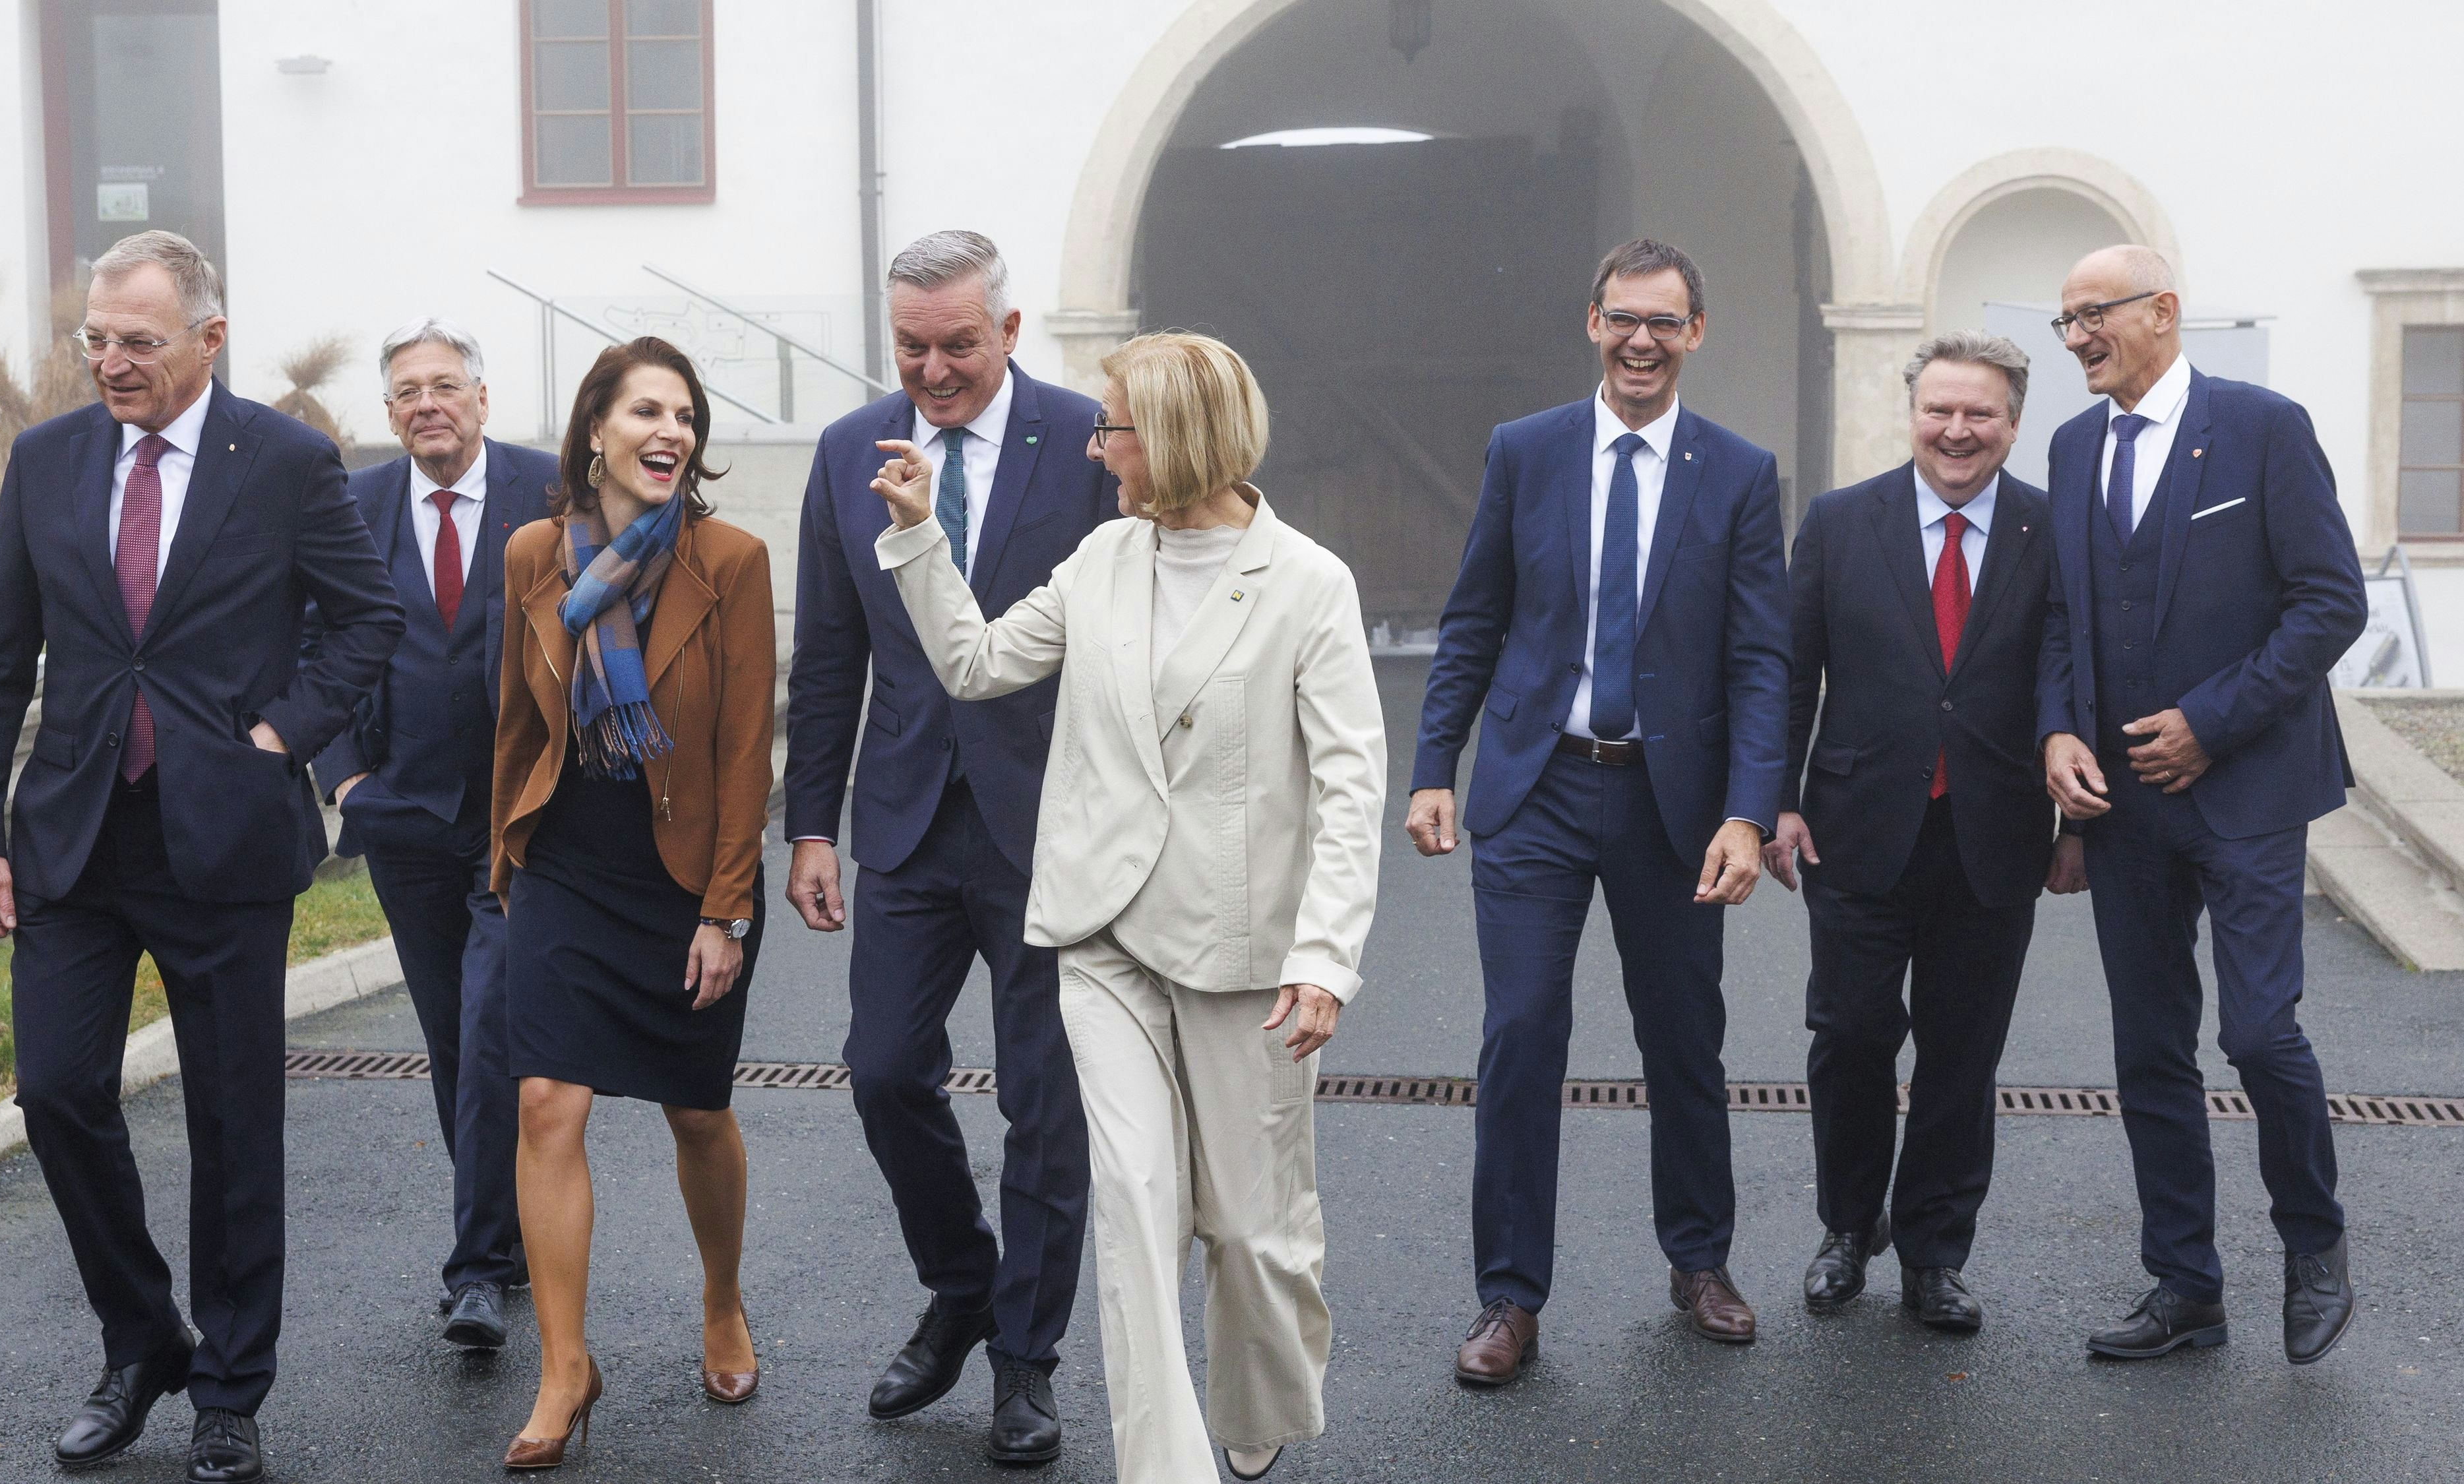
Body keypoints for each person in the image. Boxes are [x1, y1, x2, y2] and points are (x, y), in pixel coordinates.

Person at [869, 331, 1384, 1483]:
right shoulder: (1103, 557)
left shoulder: (1309, 582)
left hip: (1247, 948)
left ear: (1179, 436)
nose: (1100, 448)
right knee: (1139, 1206)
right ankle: (1166, 1466)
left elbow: (1352, 788)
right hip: (1101, 935)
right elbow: (978, 664)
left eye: (1116, 428)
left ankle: (1257, 1397)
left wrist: (1325, 956)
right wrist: (917, 534)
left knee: (1251, 1233)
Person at [0, 230, 404, 1483]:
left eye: (137, 341)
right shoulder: (46, 462)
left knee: (235, 1123)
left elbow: (370, 619)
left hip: (227, 839)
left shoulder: (289, 462)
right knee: (57, 1094)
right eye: (95, 338)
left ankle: (231, 1389)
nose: (110, 362)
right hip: (75, 841)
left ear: (209, 338)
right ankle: (143, 1336)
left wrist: (283, 733)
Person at [1412, 237, 1789, 1377]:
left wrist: (1749, 813)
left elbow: (1762, 661)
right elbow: (1474, 617)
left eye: (1664, 324)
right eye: (1624, 319)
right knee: (1523, 1030)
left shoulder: (1738, 471)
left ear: (1695, 335)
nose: (1641, 341)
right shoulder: (1527, 452)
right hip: (1537, 785)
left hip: (1676, 805)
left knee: (1684, 1038)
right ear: (1591, 322)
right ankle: (1510, 1296)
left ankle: (1699, 1258)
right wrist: (1435, 764)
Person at [784, 230, 1116, 1464]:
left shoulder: (1089, 441)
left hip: (1055, 826)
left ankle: (1025, 1360)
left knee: (1045, 1105)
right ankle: (963, 1281)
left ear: (1011, 332)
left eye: (958, 346)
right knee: (880, 1070)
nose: (933, 371)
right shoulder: (843, 450)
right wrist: (810, 823)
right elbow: (829, 655)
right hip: (909, 823)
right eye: (911, 346)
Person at [2037, 245, 2364, 1365]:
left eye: (2096, 315)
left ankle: (2314, 1241)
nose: (2078, 337)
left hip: (2251, 789)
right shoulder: (2074, 446)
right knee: (2149, 1048)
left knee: (2260, 1030)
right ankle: (2186, 1284)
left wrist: (2210, 723)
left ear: (2164, 312)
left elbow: (2330, 603)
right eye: (2065, 321)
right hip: (2122, 807)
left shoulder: (2266, 427)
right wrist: (2059, 732)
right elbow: (2061, 622)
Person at [488, 337, 777, 1467]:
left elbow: (749, 748)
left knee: (697, 1111)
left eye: (688, 417)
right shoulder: (532, 556)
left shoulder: (733, 560)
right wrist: (505, 861)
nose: (672, 433)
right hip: (565, 864)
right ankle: (565, 1365)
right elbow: (515, 722)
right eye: (648, 411)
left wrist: (728, 910)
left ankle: (720, 1298)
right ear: (596, 429)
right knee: (547, 1107)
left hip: (681, 879)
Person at [1767, 332, 2078, 1333]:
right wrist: (1771, 799)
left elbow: (2072, 683)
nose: (1957, 430)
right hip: (1854, 829)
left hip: (1994, 834)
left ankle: (1937, 1253)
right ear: (1912, 415)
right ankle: (1849, 1228)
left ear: (2012, 424)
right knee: (1850, 1035)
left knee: (1963, 1053)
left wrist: (2076, 822)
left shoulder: (2050, 530)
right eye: (1939, 410)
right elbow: (1789, 673)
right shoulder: (1839, 522)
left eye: (1979, 414)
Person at [305, 319, 555, 1351]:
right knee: (455, 1044)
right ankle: (509, 1235)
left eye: (445, 386)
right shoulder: (355, 506)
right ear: (392, 413)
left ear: (484, 400)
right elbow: (315, 635)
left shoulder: (547, 491)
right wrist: (342, 777)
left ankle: (477, 1270)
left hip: (516, 818)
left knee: (492, 1029)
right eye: (407, 391)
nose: (427, 405)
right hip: (401, 815)